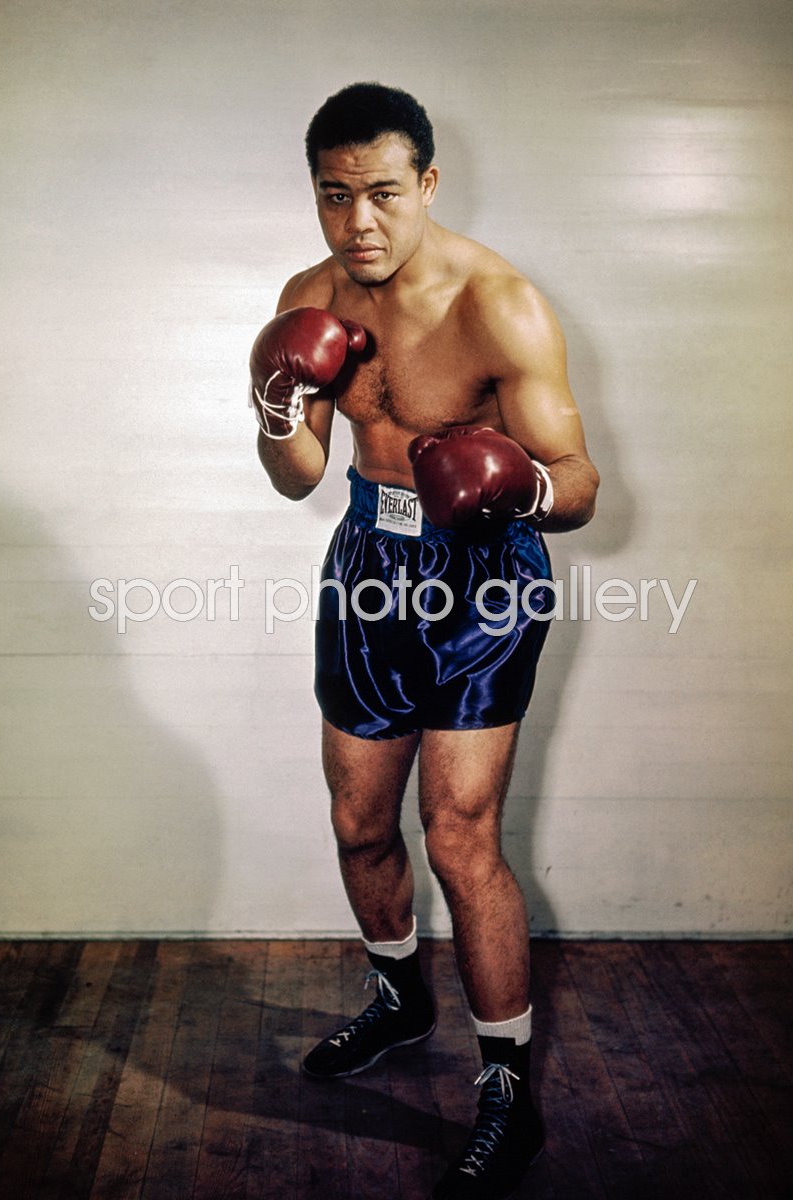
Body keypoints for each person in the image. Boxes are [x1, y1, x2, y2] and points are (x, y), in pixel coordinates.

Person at [250, 82, 599, 1200]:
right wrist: (272, 413)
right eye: (334, 195)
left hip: (483, 575)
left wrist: (518, 483)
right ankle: (399, 999)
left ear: (428, 185)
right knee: (359, 822)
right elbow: (300, 473)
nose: (359, 222)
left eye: (383, 194)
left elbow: (584, 486)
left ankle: (506, 1088)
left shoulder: (500, 305)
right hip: (365, 560)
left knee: (457, 835)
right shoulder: (307, 298)